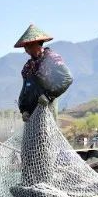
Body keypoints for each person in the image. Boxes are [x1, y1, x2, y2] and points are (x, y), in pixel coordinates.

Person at [14, 24, 73, 186]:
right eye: (24, 47)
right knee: (28, 150)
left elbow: (67, 79)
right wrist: (23, 109)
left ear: (37, 44)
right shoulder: (28, 66)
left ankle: (46, 183)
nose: (26, 50)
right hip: (31, 115)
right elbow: (24, 90)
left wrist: (49, 95)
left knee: (43, 148)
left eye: (28, 46)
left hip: (45, 111)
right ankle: (28, 184)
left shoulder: (51, 59)